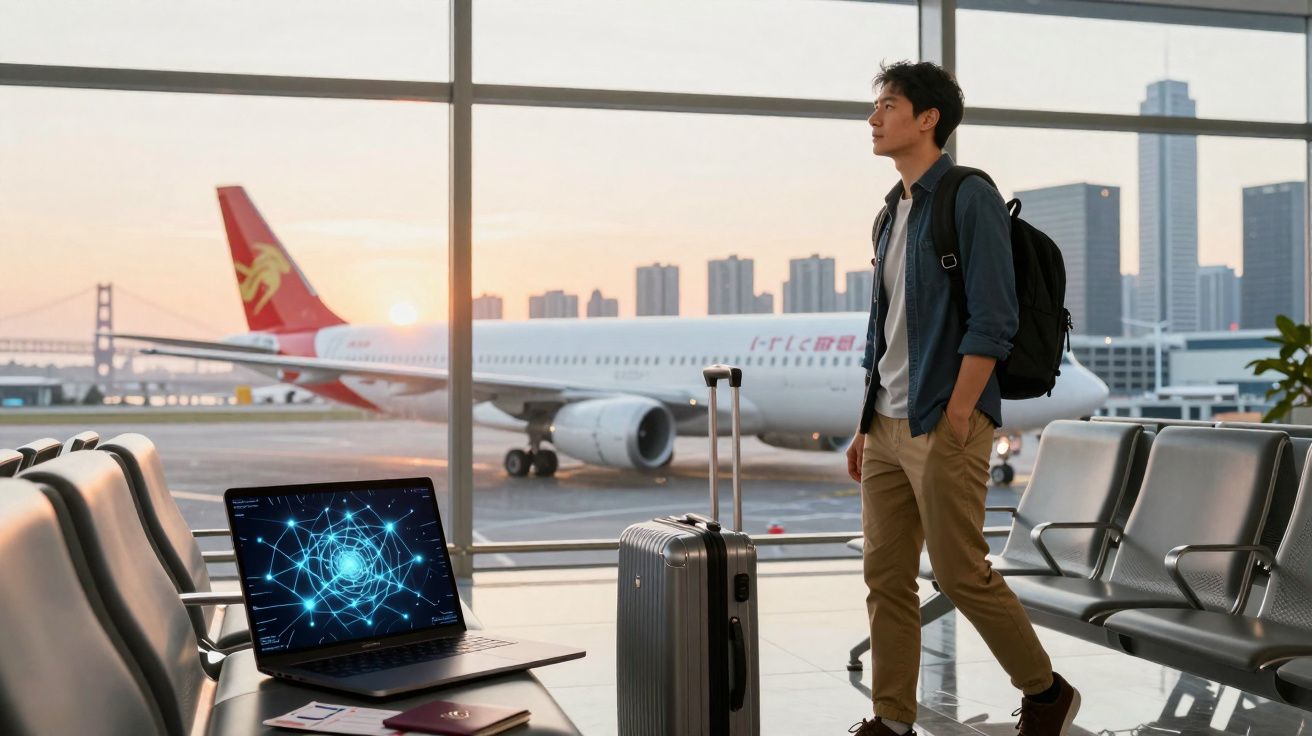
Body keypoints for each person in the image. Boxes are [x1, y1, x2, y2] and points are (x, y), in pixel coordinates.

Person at [844, 61, 1080, 736]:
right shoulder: (890, 213)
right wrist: (863, 425)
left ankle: (1046, 691)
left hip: (945, 420)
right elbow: (881, 329)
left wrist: (957, 411)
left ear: (928, 119)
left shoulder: (967, 196)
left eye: (887, 105)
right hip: (886, 425)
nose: (873, 118)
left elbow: (995, 316)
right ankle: (891, 719)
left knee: (960, 572)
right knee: (885, 578)